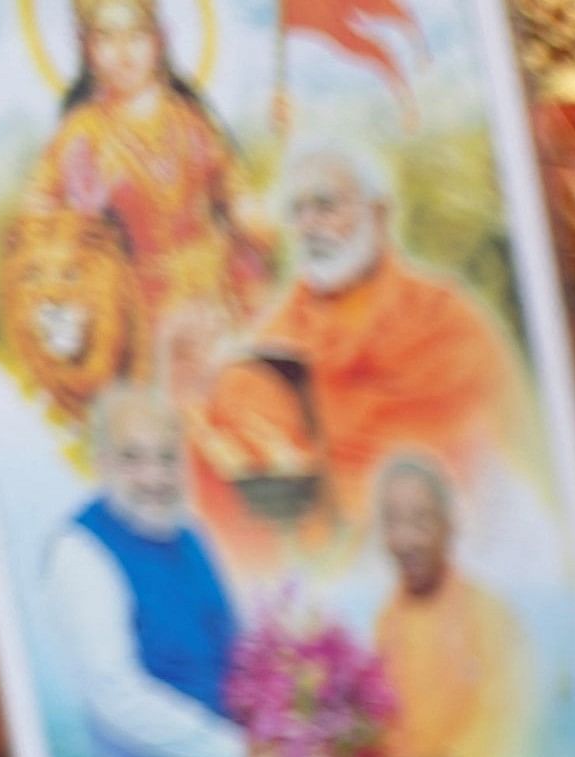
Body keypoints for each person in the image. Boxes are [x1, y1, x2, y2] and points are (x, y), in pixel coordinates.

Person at [206, 145, 522, 526]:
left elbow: (481, 445)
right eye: (296, 210)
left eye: (325, 206)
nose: (309, 225)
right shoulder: (270, 346)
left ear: (379, 213)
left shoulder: (445, 319)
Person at [1, 0, 271, 418]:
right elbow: (37, 223)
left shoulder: (191, 120)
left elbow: (232, 190)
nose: (124, 53)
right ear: (86, 48)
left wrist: (257, 216)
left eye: (136, 36)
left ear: (159, 40)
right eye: (106, 38)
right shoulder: (79, 135)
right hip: (138, 317)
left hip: (215, 299)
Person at [40, 384, 274, 757]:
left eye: (167, 458)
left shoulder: (189, 536)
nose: (155, 477)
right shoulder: (80, 550)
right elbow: (117, 695)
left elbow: (233, 651)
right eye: (133, 458)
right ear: (101, 463)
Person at [363, 454, 520, 757]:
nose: (405, 539)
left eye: (420, 520)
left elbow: (497, 745)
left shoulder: (489, 615)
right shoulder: (387, 622)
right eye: (392, 522)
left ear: (449, 526)